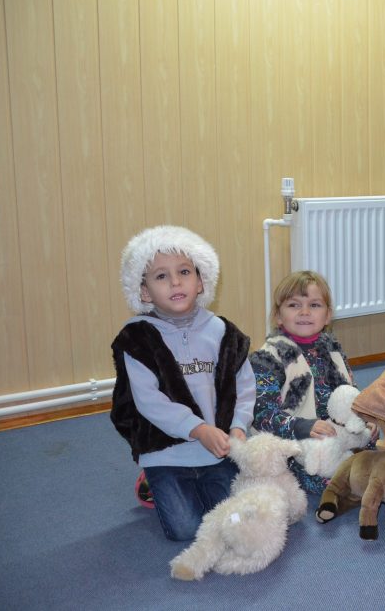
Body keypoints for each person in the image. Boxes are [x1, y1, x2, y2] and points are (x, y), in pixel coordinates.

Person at [110, 225, 256, 541]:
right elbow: (148, 401)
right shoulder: (137, 338)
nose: (175, 282)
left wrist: (239, 427)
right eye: (161, 276)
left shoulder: (223, 332)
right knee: (186, 529)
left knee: (234, 521)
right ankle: (152, 480)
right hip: (165, 453)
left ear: (201, 281)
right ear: (144, 291)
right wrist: (198, 429)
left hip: (218, 450)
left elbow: (244, 386)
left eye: (185, 272)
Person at [250, 270, 373, 495]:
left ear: (327, 316)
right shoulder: (268, 357)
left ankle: (355, 469)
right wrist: (302, 427)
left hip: (334, 433)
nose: (305, 312)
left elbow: (350, 392)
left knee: (371, 444)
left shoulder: (332, 347)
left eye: (314, 305)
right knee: (321, 476)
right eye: (294, 305)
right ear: (278, 316)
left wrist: (364, 419)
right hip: (294, 440)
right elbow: (261, 414)